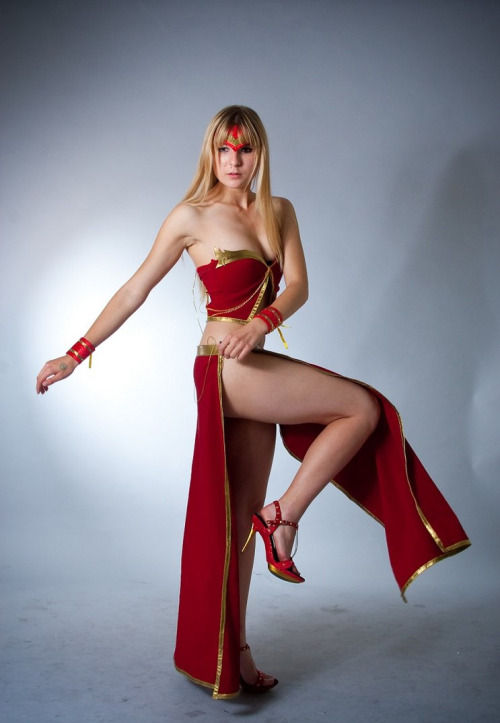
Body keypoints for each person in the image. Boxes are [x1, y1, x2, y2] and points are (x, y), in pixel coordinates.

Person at [36, 105, 470, 699]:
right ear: (210, 153)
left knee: (239, 522)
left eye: (245, 149)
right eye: (224, 149)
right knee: (362, 409)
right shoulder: (191, 216)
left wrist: (262, 322)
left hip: (252, 360)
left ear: (259, 153)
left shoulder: (278, 210)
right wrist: (75, 353)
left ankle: (234, 653)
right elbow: (135, 288)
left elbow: (299, 286)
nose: (234, 160)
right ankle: (283, 516)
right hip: (222, 368)